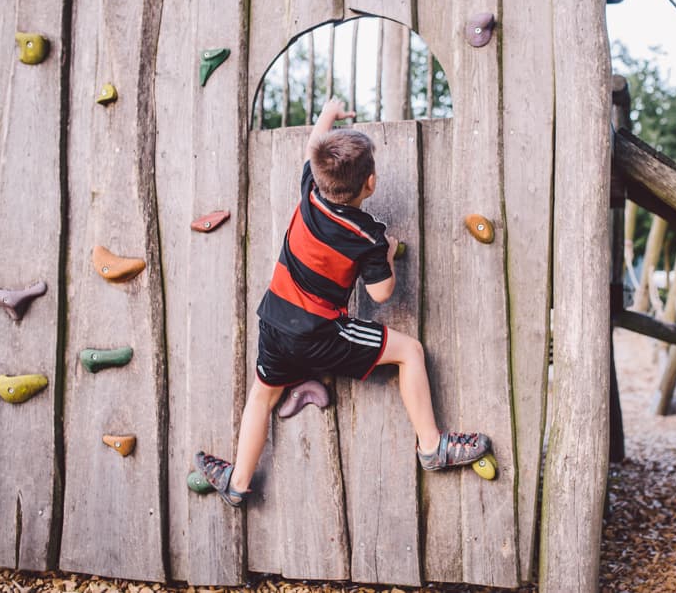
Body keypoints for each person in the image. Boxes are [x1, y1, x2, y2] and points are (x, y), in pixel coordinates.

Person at [195, 99, 492, 507]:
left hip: (275, 321)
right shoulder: (367, 235)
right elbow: (380, 293)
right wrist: (386, 254)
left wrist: (329, 113)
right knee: (410, 352)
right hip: (319, 333)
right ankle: (432, 446)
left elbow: (313, 145)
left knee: (261, 397)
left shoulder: (310, 193)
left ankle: (238, 482)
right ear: (370, 183)